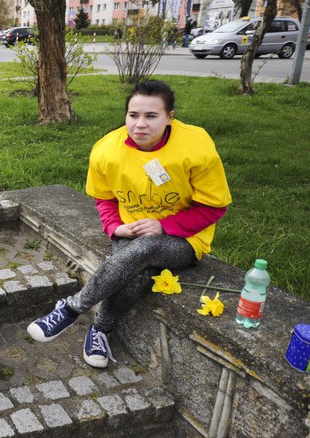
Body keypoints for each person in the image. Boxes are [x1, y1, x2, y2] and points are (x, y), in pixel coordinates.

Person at [27, 80, 231, 369]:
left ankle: (71, 308)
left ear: (170, 116)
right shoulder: (106, 151)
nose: (140, 124)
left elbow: (214, 206)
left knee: (145, 249)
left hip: (184, 240)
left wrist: (164, 225)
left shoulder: (196, 147)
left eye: (151, 116)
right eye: (133, 115)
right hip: (130, 230)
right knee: (136, 271)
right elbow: (105, 199)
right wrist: (114, 228)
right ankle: (100, 330)